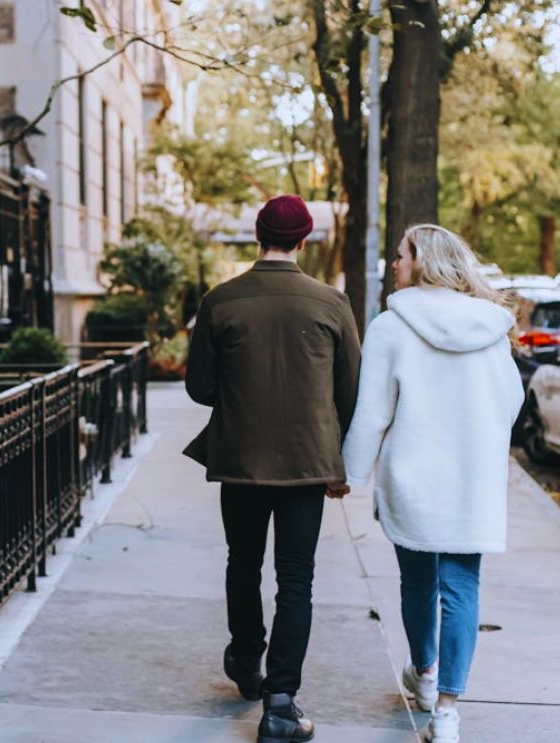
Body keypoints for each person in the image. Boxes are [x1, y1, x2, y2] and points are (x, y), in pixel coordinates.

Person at [185, 195, 361, 743]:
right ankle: (281, 703)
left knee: (243, 563)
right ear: (305, 240)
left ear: (259, 237)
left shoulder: (221, 301)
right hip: (307, 464)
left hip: (239, 459)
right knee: (296, 579)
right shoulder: (332, 303)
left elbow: (199, 387)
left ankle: (245, 660)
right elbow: (349, 392)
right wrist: (335, 458)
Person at [338, 224, 523, 743]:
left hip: (411, 477)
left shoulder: (391, 327)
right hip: (473, 479)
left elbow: (373, 414)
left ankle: (423, 672)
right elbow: (511, 403)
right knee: (462, 588)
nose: (393, 264)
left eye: (400, 256)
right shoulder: (490, 326)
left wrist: (350, 476)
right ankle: (446, 713)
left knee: (418, 581)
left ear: (421, 261)